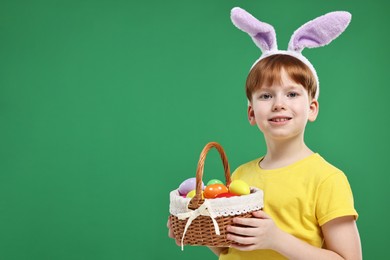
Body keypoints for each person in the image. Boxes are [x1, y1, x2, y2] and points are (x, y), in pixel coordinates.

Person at [168, 7, 362, 259]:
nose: (278, 103)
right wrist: (195, 227)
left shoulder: (327, 179)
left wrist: (276, 239)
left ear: (312, 108)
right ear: (251, 113)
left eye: (292, 94)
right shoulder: (241, 176)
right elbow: (228, 248)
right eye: (266, 95)